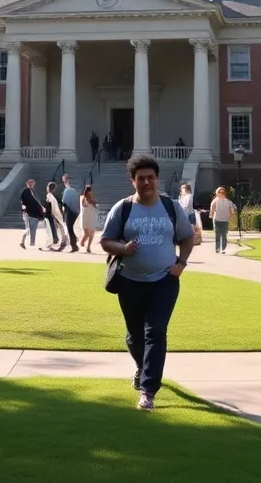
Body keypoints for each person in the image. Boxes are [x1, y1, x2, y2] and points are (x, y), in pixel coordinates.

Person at [100, 155, 196, 411]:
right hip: (130, 282)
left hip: (164, 281)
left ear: (157, 179)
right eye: (141, 178)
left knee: (155, 332)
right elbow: (106, 241)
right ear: (133, 181)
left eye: (150, 178)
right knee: (134, 336)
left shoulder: (170, 206)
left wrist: (182, 263)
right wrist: (123, 247)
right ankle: (143, 368)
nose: (146, 183)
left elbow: (187, 237)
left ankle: (148, 391)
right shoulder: (123, 208)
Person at [19, 178, 46, 249]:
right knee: (29, 228)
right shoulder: (25, 191)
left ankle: (32, 243)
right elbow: (22, 200)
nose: (31, 184)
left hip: (34, 213)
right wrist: (23, 206)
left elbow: (36, 201)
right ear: (27, 183)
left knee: (33, 229)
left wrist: (41, 208)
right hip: (28, 213)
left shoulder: (33, 192)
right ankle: (23, 241)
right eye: (30, 183)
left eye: (32, 183)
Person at [209, 187, 235, 253]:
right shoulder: (215, 201)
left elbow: (232, 210)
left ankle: (223, 248)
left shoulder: (228, 202)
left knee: (224, 235)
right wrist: (211, 215)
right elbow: (211, 210)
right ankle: (217, 248)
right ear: (217, 193)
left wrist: (232, 212)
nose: (221, 194)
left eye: (223, 192)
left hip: (225, 220)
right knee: (217, 235)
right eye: (220, 192)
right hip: (217, 219)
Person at [44, 182, 68, 251]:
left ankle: (62, 242)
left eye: (49, 187)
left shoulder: (50, 197)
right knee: (59, 228)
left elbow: (53, 208)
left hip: (52, 215)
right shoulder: (52, 196)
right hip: (54, 215)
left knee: (53, 230)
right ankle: (63, 241)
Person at [61, 173, 81, 252]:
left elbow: (64, 202)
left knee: (70, 229)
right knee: (71, 228)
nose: (64, 182)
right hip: (75, 211)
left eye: (65, 180)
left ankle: (74, 245)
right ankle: (74, 243)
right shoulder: (73, 191)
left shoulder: (67, 190)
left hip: (69, 211)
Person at [79, 185, 99, 253]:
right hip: (89, 217)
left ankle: (87, 245)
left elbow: (94, 203)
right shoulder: (85, 198)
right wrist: (92, 200)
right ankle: (84, 243)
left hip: (89, 217)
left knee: (89, 233)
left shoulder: (84, 198)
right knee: (89, 233)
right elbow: (93, 203)